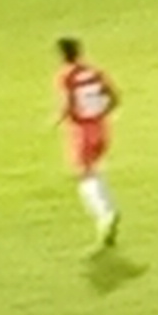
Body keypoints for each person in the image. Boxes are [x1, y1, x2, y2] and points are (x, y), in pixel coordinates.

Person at [53, 36, 120, 247]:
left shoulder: (66, 76)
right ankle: (107, 213)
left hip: (82, 130)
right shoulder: (95, 72)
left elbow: (68, 104)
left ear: (62, 55)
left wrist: (59, 120)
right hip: (101, 127)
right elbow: (115, 98)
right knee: (94, 171)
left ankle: (105, 215)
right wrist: (101, 114)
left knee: (83, 175)